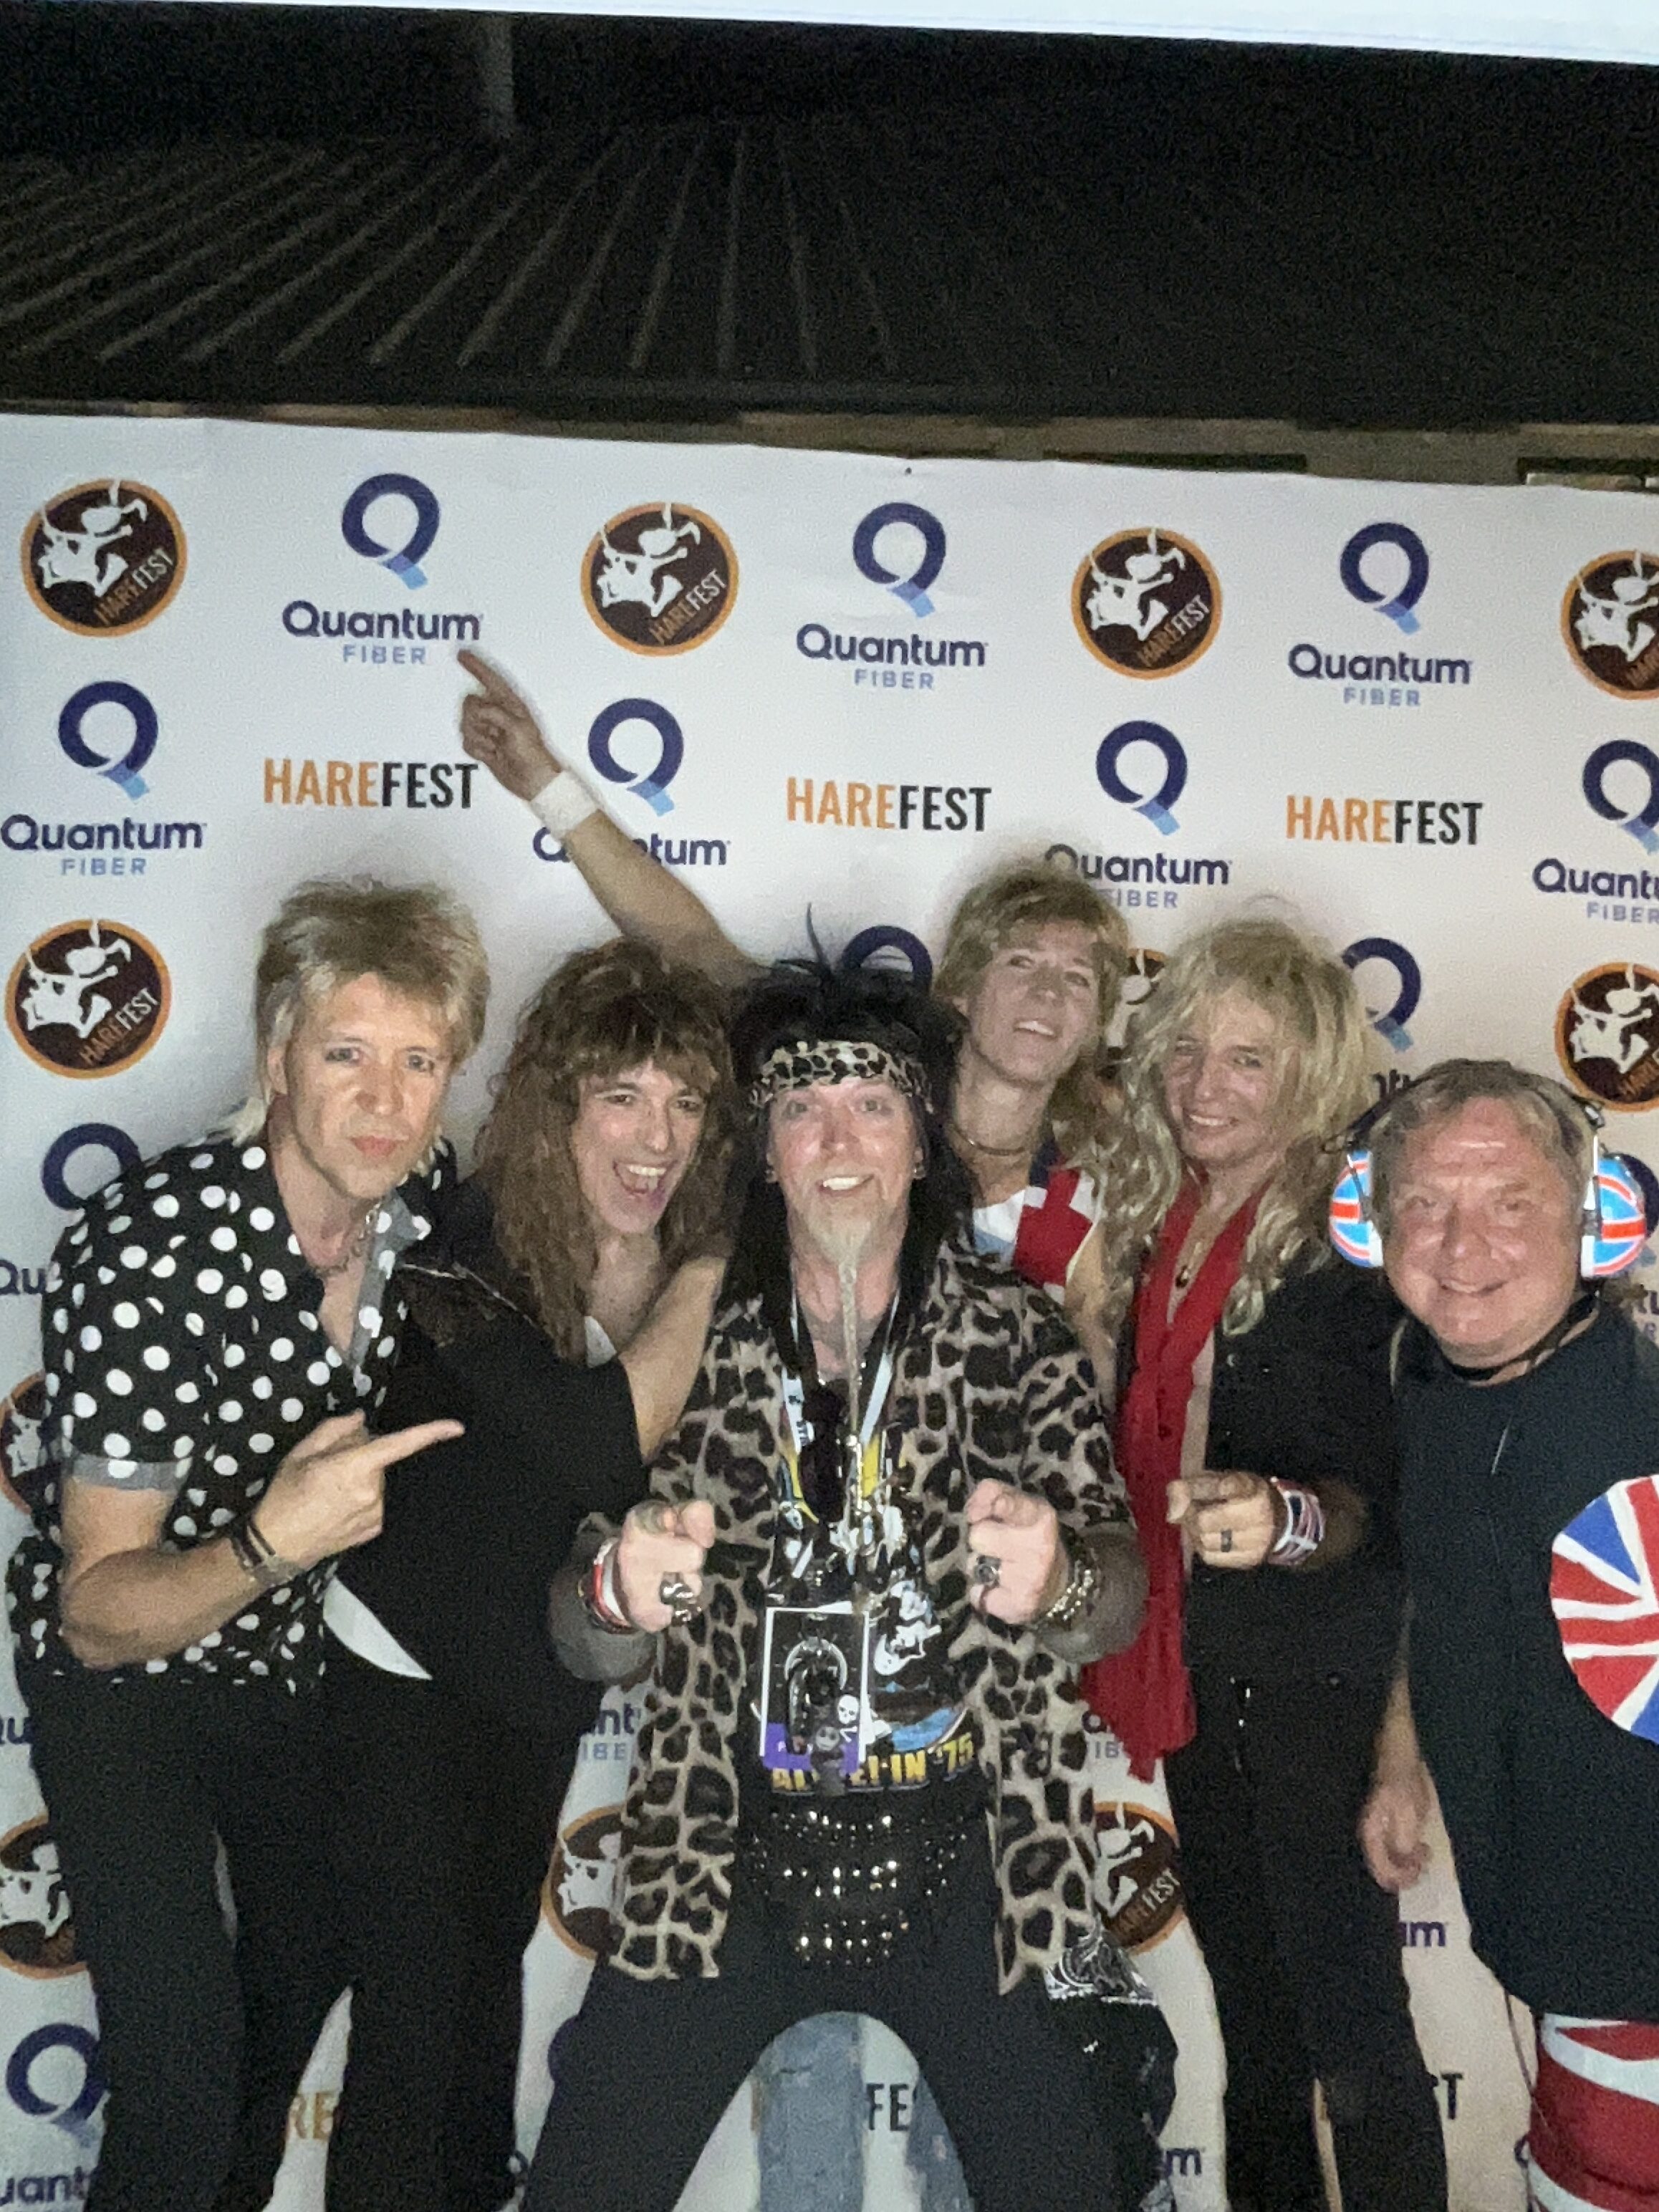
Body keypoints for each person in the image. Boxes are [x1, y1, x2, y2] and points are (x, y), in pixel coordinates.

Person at [521, 958, 1148, 2212]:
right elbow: (579, 1636)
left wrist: (1062, 1580)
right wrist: (616, 1599)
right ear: (766, 1154)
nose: (840, 1140)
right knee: (585, 2185)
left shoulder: (1018, 1335)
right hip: (722, 1851)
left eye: (873, 1105)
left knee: (1087, 2169)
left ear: (921, 1144)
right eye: (804, 1110)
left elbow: (1118, 1598)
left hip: (980, 1852)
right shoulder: (690, 1344)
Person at [7, 877, 491, 2212]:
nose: (385, 1100)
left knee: (308, 1967)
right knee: (179, 2079)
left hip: (281, 1668)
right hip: (126, 1679)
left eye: (420, 1062)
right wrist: (277, 1540)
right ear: (277, 1057)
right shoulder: (150, 1254)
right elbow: (98, 1608)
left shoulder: (416, 1198)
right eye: (347, 1054)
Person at [318, 939, 737, 2212]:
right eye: (623, 1096)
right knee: (413, 2009)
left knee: (488, 1976)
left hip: (536, 1678)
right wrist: (715, 1267)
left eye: (685, 1103)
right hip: (399, 1668)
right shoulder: (473, 1238)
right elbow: (600, 1439)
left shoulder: (667, 1247)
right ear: (557, 1106)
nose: (657, 1136)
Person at [1076, 916, 1446, 2212]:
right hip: (1199, 1669)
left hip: (1315, 1689)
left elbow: (1390, 1508)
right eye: (1186, 1051)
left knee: (1352, 2031)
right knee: (1257, 2029)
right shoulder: (1166, 1218)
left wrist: (1287, 1520)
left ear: (1311, 1072)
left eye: (1247, 1059)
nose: (1205, 1086)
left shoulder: (1353, 1247)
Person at [454, 650, 1127, 1309]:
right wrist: (546, 786)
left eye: (1077, 979)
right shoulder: (853, 1060)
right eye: (1021, 962)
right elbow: (688, 941)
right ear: (962, 987)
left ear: (1097, 1018)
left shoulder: (1104, 1179)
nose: (1047, 995)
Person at [1357, 1061, 1659, 2210]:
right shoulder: (1433, 1379)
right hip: (1551, 1939)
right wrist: (1401, 1753)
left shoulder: (1639, 1417)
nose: (1462, 1243)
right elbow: (1438, 1586)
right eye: (1425, 1202)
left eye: (1511, 1201)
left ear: (1593, 1219)